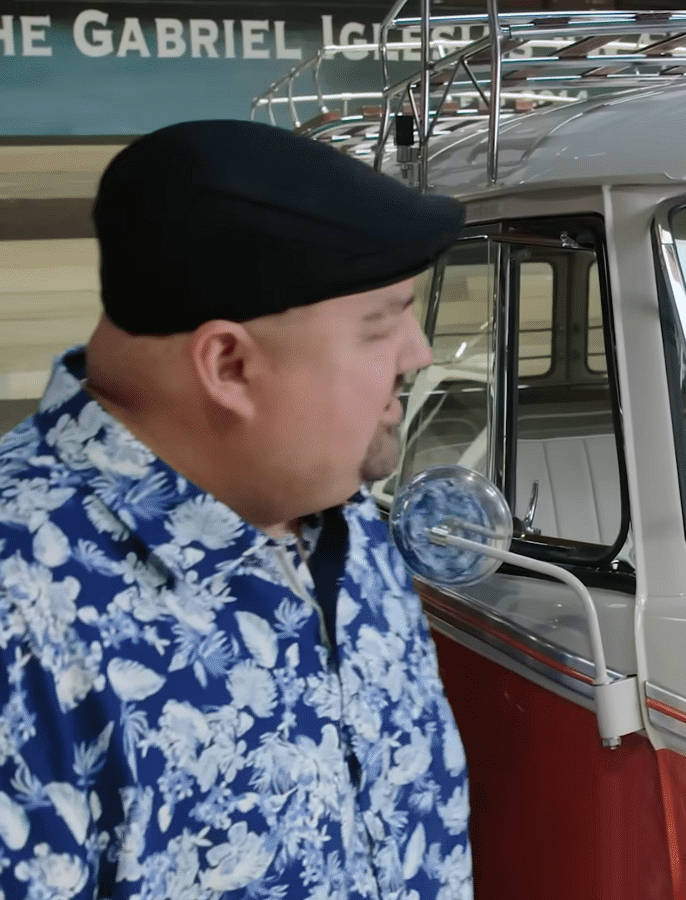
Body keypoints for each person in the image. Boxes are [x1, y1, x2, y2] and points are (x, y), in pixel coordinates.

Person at [0, 119, 472, 899]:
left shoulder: (341, 518)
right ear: (228, 364)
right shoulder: (26, 611)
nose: (418, 355)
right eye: (382, 324)